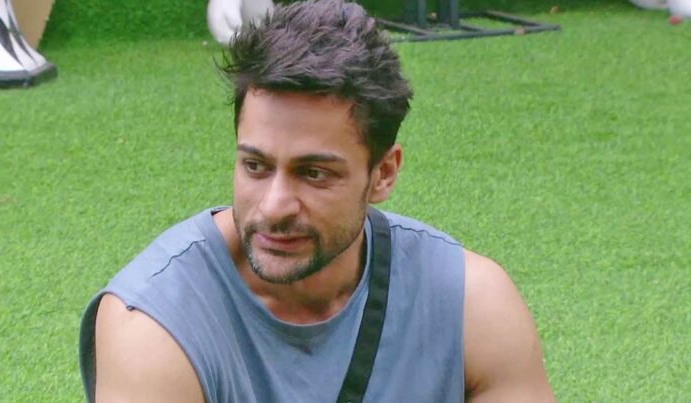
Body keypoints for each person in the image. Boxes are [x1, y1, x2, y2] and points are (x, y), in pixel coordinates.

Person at [79, 0, 554, 401]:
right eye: (256, 166)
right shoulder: (154, 324)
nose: (274, 207)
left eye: (313, 173)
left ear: (383, 173)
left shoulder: (471, 303)